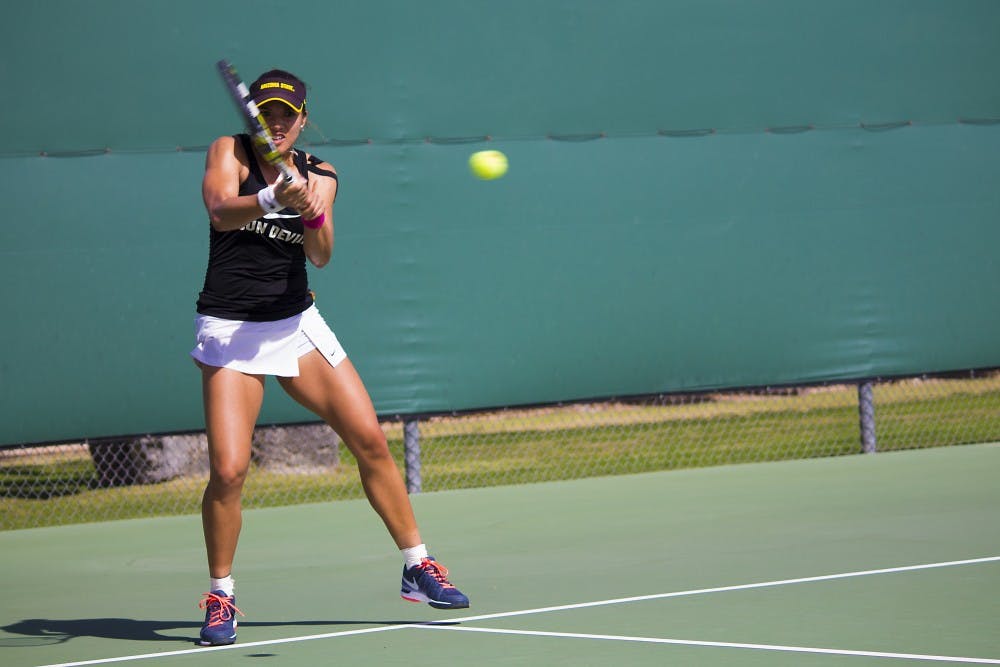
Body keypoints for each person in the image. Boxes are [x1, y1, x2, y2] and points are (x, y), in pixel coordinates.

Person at [191, 69, 469, 647]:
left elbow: (321, 255)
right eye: (266, 113)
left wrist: (308, 207)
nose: (276, 123)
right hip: (232, 330)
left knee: (369, 437)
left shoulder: (321, 173)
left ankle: (417, 565)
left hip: (296, 324)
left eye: (286, 115)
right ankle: (221, 594)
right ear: (253, 117)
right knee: (229, 470)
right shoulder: (230, 152)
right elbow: (220, 210)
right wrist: (269, 196)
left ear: (303, 117)